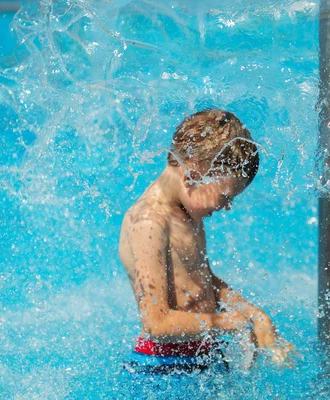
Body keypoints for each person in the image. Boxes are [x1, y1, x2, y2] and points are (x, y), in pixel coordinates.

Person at [119, 109, 294, 376]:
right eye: (225, 196)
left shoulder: (188, 211)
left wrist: (254, 314)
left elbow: (203, 281)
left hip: (203, 355)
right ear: (192, 175)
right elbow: (157, 323)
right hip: (164, 368)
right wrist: (226, 322)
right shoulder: (148, 223)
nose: (227, 206)